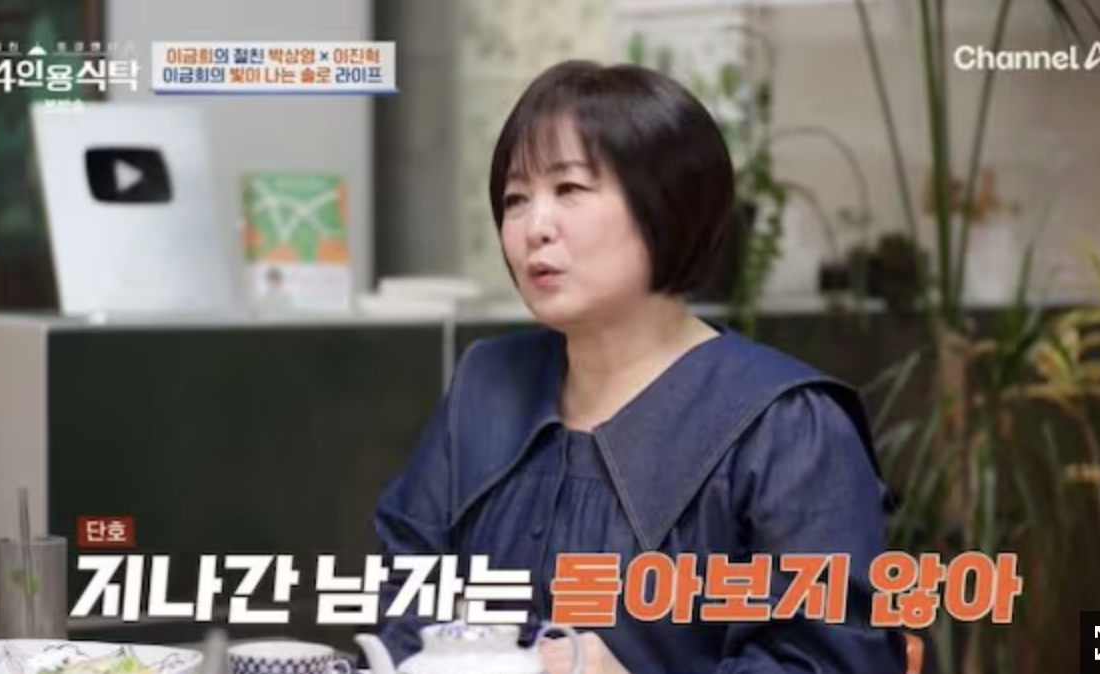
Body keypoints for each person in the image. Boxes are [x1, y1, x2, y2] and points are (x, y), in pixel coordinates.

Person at [367, 59, 907, 674]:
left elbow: (831, 662)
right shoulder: (485, 386)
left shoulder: (787, 426)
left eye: (570, 189)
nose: (534, 227)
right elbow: (405, 595)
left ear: (666, 205)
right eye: (516, 199)